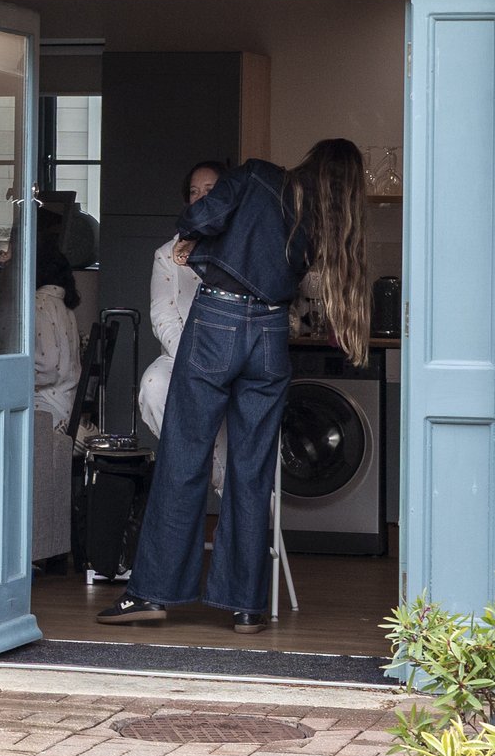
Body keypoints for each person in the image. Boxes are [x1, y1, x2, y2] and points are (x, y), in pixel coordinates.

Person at [99, 139, 370, 634]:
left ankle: (151, 593)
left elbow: (200, 218)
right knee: (252, 472)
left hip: (218, 322)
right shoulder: (326, 219)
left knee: (185, 458)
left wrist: (188, 240)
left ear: (307, 156)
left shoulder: (259, 176)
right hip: (271, 334)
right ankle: (246, 605)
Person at [137, 159, 231, 441]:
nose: (200, 197)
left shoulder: (241, 248)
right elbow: (163, 317)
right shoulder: (168, 254)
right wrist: (196, 362)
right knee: (154, 385)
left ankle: (224, 480)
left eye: (209, 189)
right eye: (193, 191)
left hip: (235, 356)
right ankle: (194, 466)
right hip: (184, 354)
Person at [34, 228, 82, 428]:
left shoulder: (40, 304)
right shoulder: (64, 307)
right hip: (66, 401)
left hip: (48, 405)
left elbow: (47, 367)